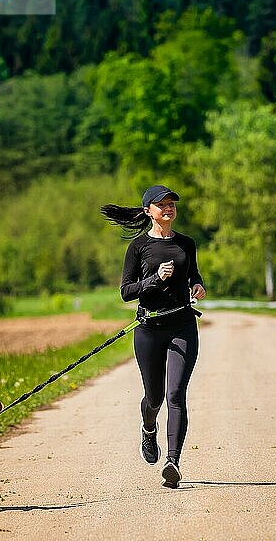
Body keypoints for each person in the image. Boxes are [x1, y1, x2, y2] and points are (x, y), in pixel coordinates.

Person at [101, 185, 206, 488]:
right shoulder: (138, 247)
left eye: (172, 203)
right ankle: (149, 428)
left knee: (176, 395)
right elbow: (125, 292)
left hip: (183, 327)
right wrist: (154, 279)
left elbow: (193, 275)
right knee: (155, 397)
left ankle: (172, 461)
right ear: (149, 211)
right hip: (148, 331)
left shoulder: (187, 243)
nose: (169, 208)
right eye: (162, 204)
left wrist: (198, 285)